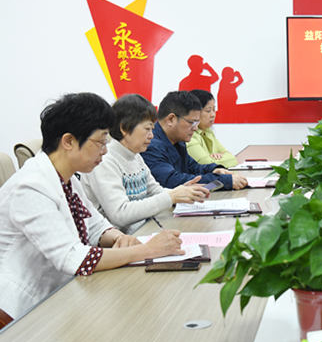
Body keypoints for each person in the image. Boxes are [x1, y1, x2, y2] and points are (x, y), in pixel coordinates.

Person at [0, 93, 184, 328]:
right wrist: (147, 250)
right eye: (101, 142)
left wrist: (117, 238)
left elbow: (94, 223)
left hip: (62, 292)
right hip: (20, 310)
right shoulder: (30, 186)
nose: (105, 151)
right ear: (68, 141)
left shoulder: (65, 176)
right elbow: (72, 258)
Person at [81, 94, 209, 233]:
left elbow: (155, 191)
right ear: (124, 128)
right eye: (147, 129)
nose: (151, 135)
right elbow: (120, 214)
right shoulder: (104, 161)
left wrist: (182, 192)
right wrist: (171, 196)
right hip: (118, 240)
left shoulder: (136, 156)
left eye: (152, 129)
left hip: (142, 231)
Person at [141, 91, 247, 190]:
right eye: (192, 122)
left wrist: (214, 169)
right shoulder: (150, 145)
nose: (196, 128)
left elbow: (193, 167)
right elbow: (172, 181)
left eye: (197, 123)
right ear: (171, 119)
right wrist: (223, 181)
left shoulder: (178, 141)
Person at [186, 89, 238, 168]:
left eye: (213, 110)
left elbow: (233, 159)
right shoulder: (189, 135)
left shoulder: (208, 131)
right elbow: (207, 164)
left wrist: (214, 158)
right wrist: (216, 159)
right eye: (208, 111)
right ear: (195, 112)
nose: (213, 114)